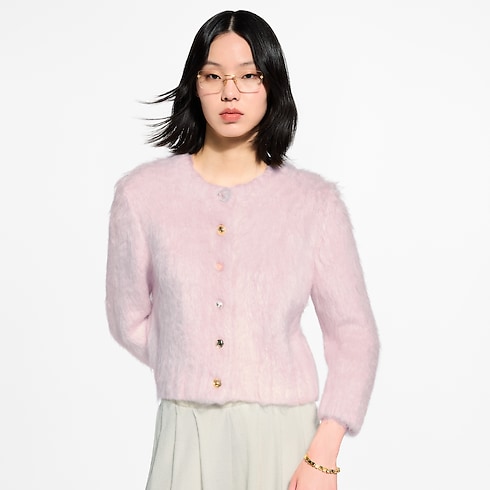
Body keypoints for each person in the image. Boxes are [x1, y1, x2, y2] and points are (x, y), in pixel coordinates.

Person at [105, 9, 380, 490]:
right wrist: (189, 357)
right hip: (185, 433)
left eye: (249, 75)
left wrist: (324, 454)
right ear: (195, 86)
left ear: (272, 85)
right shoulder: (141, 195)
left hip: (287, 440)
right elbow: (127, 318)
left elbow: (355, 335)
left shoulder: (314, 203)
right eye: (214, 76)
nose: (230, 92)